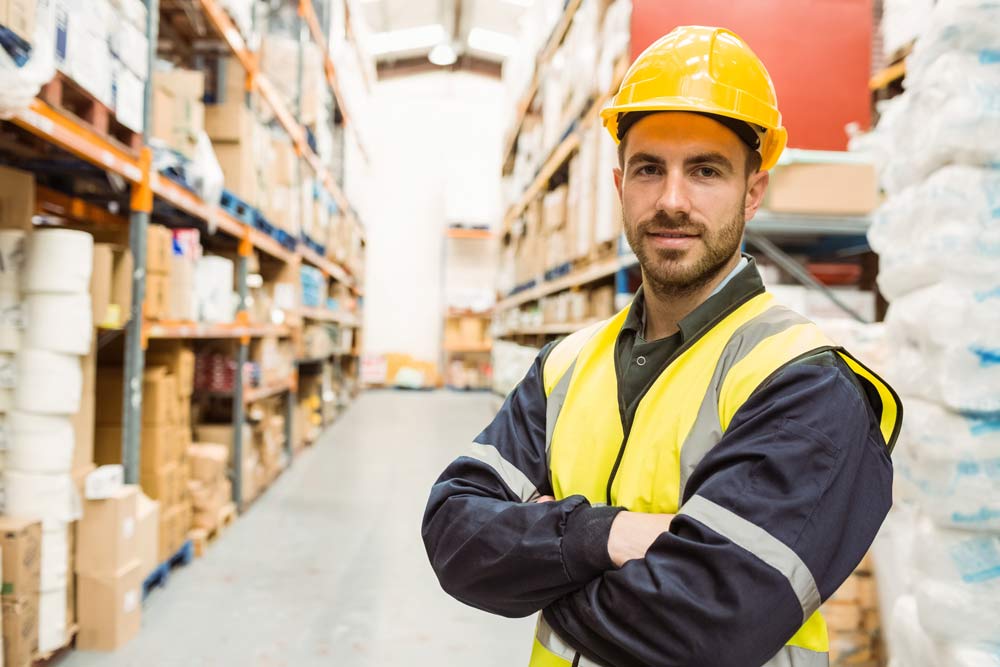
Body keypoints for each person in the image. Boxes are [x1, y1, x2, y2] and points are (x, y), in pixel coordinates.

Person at [422, 25, 901, 667]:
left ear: (752, 191)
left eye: (705, 170)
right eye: (650, 169)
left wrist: (541, 561)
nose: (672, 200)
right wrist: (607, 534)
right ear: (620, 185)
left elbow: (707, 627)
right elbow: (455, 535)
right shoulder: (567, 365)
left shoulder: (806, 383)